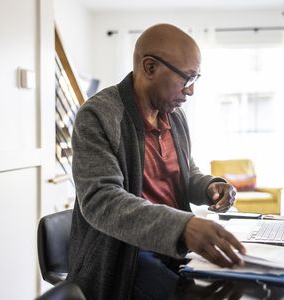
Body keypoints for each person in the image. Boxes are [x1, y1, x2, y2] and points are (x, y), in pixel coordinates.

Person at [67, 23, 246, 299]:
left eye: (196, 78)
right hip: (126, 256)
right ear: (149, 67)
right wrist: (183, 227)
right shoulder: (98, 115)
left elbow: (184, 174)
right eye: (186, 78)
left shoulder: (174, 115)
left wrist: (211, 185)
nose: (191, 91)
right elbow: (101, 200)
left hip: (174, 248)